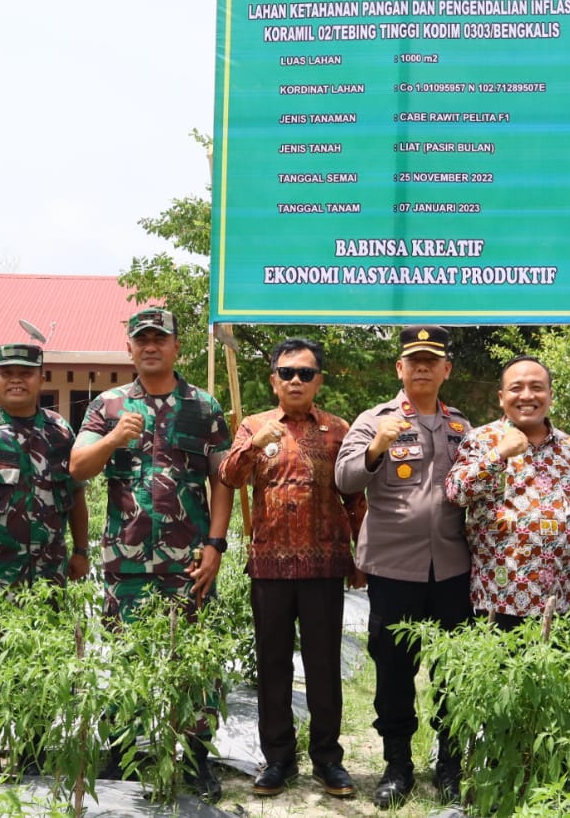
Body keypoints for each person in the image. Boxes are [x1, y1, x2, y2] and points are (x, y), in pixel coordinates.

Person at [69, 307, 232, 802]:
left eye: (160, 338)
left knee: (196, 659)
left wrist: (216, 544)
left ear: (176, 347)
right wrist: (115, 438)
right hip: (127, 562)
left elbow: (222, 479)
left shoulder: (203, 407)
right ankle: (124, 754)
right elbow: (78, 467)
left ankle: (197, 757)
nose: (151, 346)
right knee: (124, 658)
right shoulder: (107, 405)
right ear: (130, 349)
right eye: (142, 339)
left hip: (190, 560)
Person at [218, 338, 365, 799]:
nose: (295, 380)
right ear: (273, 380)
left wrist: (360, 555)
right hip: (270, 567)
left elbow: (355, 497)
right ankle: (278, 758)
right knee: (273, 665)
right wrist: (252, 446)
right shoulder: (254, 426)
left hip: (325, 565)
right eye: (286, 373)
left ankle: (328, 759)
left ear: (319, 381)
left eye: (305, 373)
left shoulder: (338, 430)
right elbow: (228, 477)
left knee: (324, 665)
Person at [335, 325, 474, 807]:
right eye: (414, 360)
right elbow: (344, 478)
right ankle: (397, 766)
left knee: (453, 669)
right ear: (400, 368)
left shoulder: (462, 427)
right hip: (394, 568)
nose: (422, 368)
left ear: (445, 370)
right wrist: (376, 447)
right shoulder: (374, 420)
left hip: (453, 567)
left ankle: (450, 763)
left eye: (431, 361)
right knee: (394, 668)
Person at [0, 343, 90, 772]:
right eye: (7, 373)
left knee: (41, 661)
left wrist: (81, 550)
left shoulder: (59, 431)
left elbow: (75, 496)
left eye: (26, 373)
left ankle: (34, 753)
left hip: (46, 574)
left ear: (41, 379)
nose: (16, 380)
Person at [445, 354, 570, 629]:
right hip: (499, 600)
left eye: (537, 387)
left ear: (550, 395)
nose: (527, 395)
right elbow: (456, 492)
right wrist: (499, 455)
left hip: (561, 599)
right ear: (501, 397)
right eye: (516, 388)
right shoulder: (482, 440)